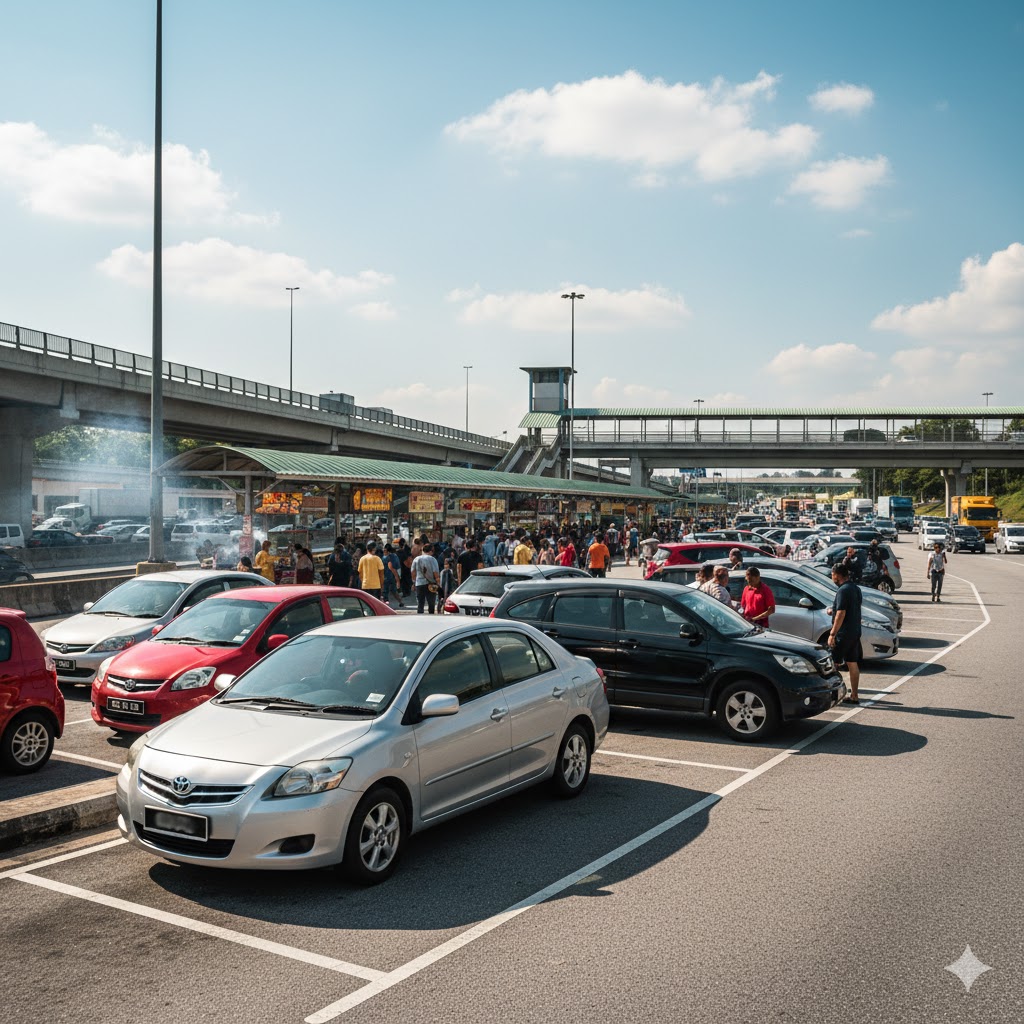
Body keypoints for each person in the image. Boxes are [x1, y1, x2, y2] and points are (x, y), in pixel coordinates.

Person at [829, 562, 863, 703]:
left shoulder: (843, 590)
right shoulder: (855, 588)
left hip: (843, 633)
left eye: (832, 575)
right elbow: (851, 608)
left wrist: (832, 634)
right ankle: (854, 695)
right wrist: (832, 610)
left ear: (837, 575)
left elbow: (841, 613)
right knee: (852, 662)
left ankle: (833, 695)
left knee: (833, 664)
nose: (832, 578)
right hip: (855, 631)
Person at [412, 542, 441, 614]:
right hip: (431, 584)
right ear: (431, 551)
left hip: (419, 583)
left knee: (420, 603)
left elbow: (413, 572)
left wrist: (414, 582)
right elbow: (436, 573)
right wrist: (438, 583)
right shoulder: (432, 559)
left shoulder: (416, 559)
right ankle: (430, 617)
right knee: (431, 603)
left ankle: (420, 616)